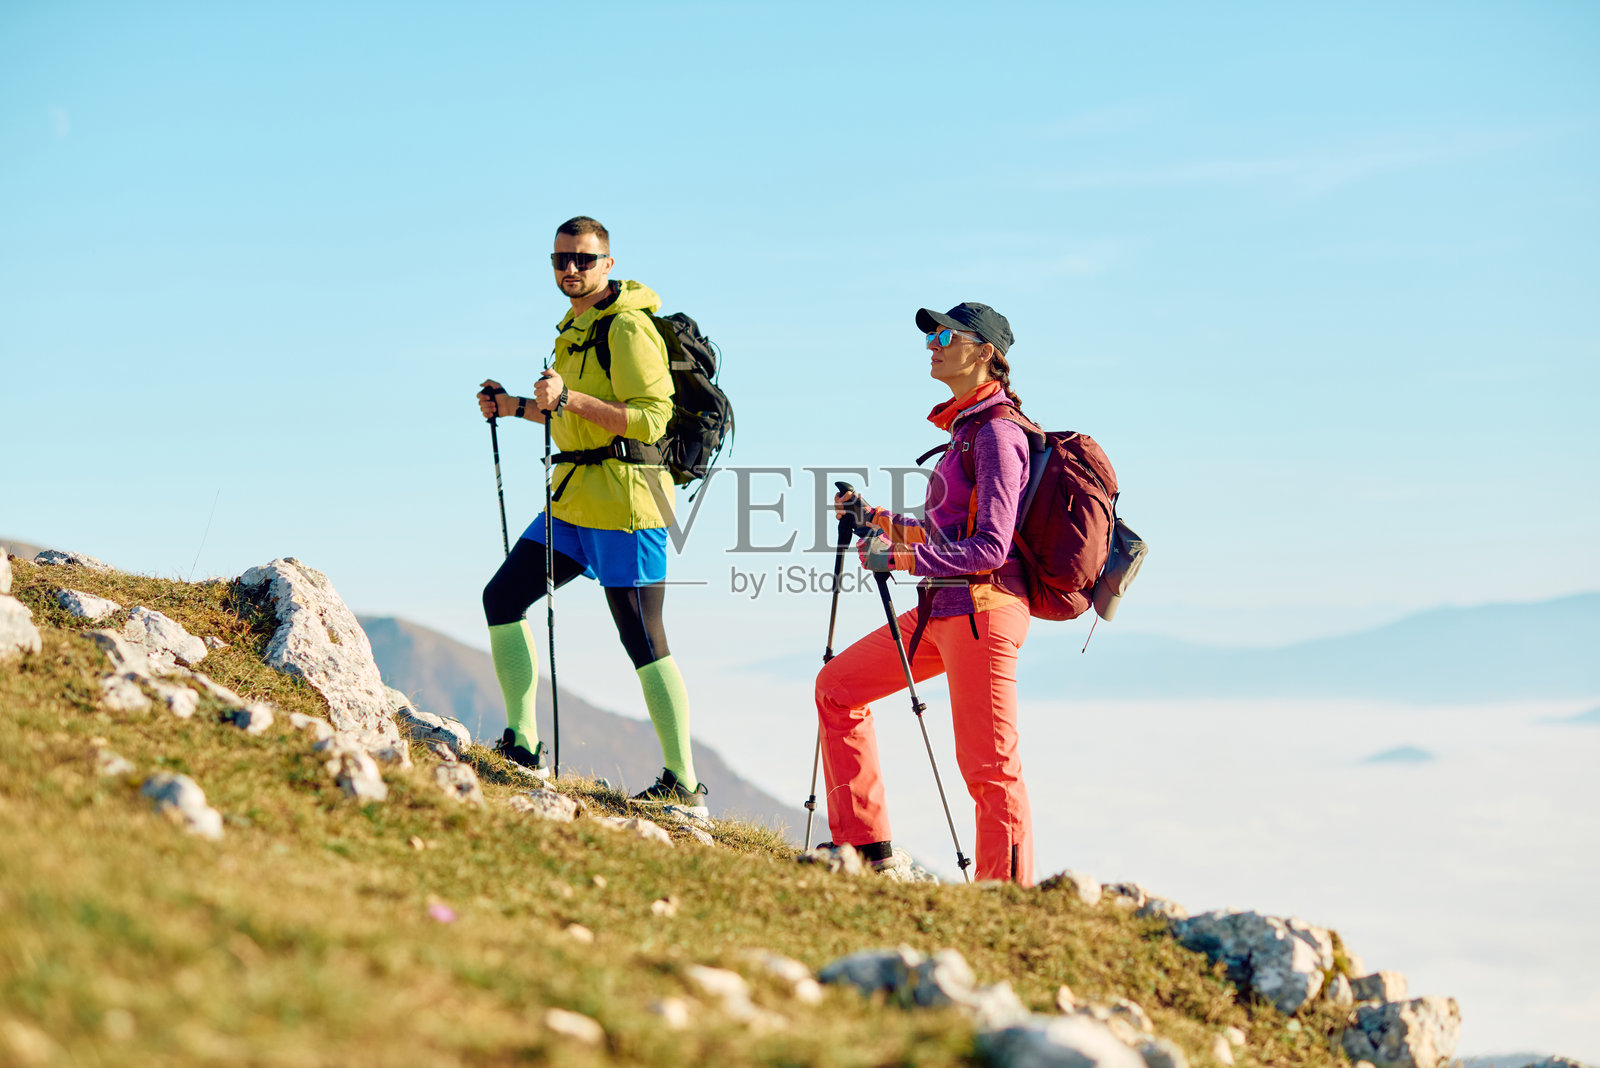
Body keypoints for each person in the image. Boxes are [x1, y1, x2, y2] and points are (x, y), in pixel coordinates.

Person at [475, 215, 707, 813]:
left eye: (582, 259)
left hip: (630, 504)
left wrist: (568, 398)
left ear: (608, 264)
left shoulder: (628, 327)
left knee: (644, 640)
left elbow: (652, 419)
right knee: (502, 599)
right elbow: (571, 419)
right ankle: (522, 744)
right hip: (575, 498)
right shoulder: (574, 327)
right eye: (560, 260)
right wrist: (515, 407)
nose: (570, 269)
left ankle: (682, 784)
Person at [816, 302, 1035, 883]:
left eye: (945, 335)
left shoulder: (997, 434)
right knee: (837, 690)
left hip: (983, 616)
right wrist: (876, 517)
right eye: (931, 336)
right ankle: (865, 849)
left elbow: (990, 547)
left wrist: (903, 556)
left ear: (985, 352)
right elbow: (947, 532)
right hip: (943, 610)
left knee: (989, 768)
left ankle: (1005, 903)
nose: (932, 344)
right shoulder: (967, 430)